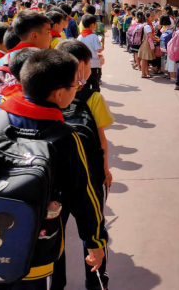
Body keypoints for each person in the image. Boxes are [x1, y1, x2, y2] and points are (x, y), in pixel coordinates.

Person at [0, 49, 107, 290]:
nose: (77, 89)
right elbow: (83, 195)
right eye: (75, 85)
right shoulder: (65, 137)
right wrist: (95, 241)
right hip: (33, 249)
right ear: (59, 94)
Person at [53, 40, 114, 290]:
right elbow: (101, 141)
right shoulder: (93, 97)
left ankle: (56, 284)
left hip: (54, 182)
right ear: (80, 65)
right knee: (93, 230)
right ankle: (97, 283)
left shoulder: (49, 96)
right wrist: (105, 171)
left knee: (55, 235)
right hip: (88, 178)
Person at [78, 14, 103, 91]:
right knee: (95, 85)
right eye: (95, 24)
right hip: (94, 64)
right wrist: (101, 44)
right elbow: (99, 50)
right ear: (92, 25)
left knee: (86, 85)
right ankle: (95, 98)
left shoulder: (79, 37)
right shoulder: (93, 36)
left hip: (84, 65)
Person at [138, 11, 158, 79]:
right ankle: (143, 73)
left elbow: (151, 35)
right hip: (146, 44)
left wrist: (155, 38)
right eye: (151, 16)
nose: (153, 17)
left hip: (147, 43)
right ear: (147, 17)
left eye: (153, 16)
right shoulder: (147, 26)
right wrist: (157, 39)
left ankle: (146, 73)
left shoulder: (148, 25)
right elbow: (150, 36)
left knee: (145, 60)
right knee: (144, 60)